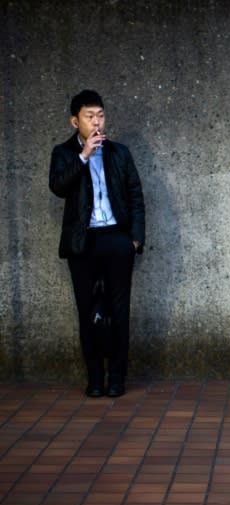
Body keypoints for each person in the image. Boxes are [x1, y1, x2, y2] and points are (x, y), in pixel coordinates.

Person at [49, 90, 145, 398]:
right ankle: (94, 378)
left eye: (100, 115)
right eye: (90, 117)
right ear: (75, 121)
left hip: (116, 239)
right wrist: (83, 156)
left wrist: (135, 239)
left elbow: (135, 195)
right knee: (87, 311)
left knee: (119, 311)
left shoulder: (120, 153)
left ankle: (117, 377)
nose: (97, 122)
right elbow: (58, 187)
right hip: (83, 243)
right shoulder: (63, 153)